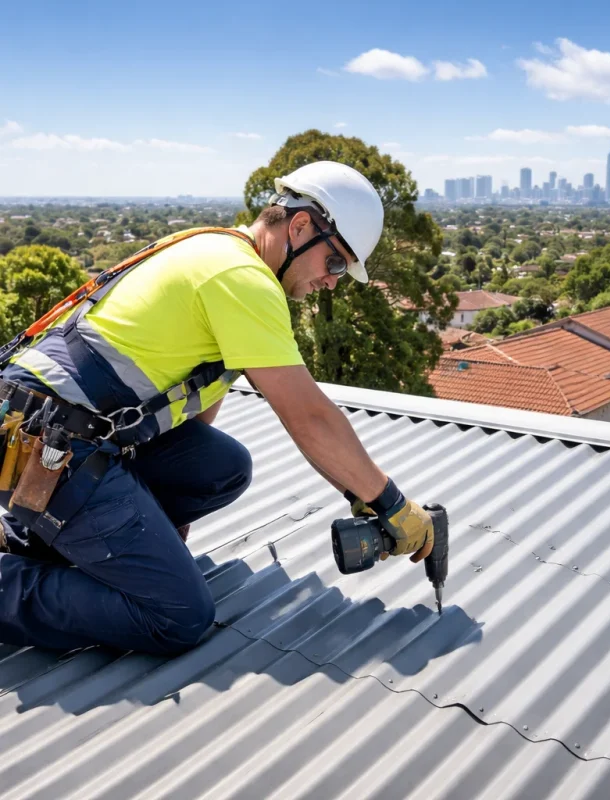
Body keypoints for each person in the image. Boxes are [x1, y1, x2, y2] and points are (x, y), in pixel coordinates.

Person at [0, 160, 434, 656]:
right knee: (177, 616)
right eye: (335, 263)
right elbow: (309, 417)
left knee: (222, 466)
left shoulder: (213, 245)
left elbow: (198, 398)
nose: (333, 282)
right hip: (49, 442)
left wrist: (166, 516)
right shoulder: (242, 278)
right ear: (299, 227)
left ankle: (36, 540)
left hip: (60, 428)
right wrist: (391, 504)